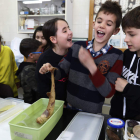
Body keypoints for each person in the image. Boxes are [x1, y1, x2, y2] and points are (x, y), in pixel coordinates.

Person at [39, 1, 123, 114]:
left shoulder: (117, 56)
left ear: (115, 31)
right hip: (69, 108)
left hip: (92, 114)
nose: (102, 25)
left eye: (109, 24)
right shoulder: (77, 46)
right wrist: (50, 70)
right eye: (99, 21)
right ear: (94, 24)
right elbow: (61, 72)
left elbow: (108, 92)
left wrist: (92, 67)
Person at [110, 6, 140, 121]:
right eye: (125, 34)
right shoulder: (126, 54)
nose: (126, 39)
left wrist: (127, 88)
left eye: (131, 35)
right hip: (116, 117)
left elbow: (124, 87)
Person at [36, 18, 73, 104]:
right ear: (53, 39)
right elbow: (42, 88)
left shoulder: (74, 53)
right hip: (54, 105)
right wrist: (55, 105)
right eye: (64, 31)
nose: (70, 32)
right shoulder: (44, 59)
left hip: (73, 105)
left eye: (69, 29)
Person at [16, 38, 43, 103]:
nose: (41, 53)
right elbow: (37, 89)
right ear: (31, 55)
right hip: (33, 103)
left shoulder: (27, 65)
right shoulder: (28, 70)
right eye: (40, 51)